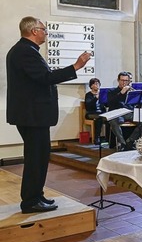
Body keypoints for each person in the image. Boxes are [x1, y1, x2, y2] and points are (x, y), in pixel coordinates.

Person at [6, 16, 91, 213]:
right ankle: (30, 201)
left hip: (32, 115)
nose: (46, 32)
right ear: (34, 31)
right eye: (43, 29)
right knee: (36, 158)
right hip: (32, 115)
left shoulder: (26, 51)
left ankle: (36, 195)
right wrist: (76, 66)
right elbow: (45, 78)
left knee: (39, 156)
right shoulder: (25, 52)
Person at [106, 71, 142, 151]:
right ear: (118, 80)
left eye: (126, 81)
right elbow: (110, 103)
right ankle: (122, 143)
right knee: (113, 122)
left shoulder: (131, 91)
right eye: (122, 80)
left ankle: (130, 141)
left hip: (129, 113)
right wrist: (121, 93)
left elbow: (137, 103)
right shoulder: (111, 92)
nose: (124, 82)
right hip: (117, 113)